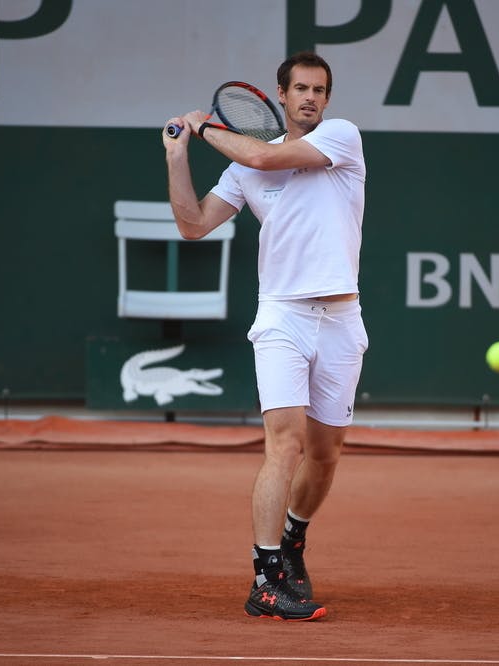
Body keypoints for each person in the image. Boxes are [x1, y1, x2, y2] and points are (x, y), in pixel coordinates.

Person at [162, 51, 367, 621]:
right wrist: (179, 156)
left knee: (325, 455)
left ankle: (294, 541)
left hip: (342, 319)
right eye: (300, 89)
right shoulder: (244, 170)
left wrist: (206, 127)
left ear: (327, 99)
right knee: (286, 442)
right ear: (280, 95)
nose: (309, 98)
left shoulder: (341, 137)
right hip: (281, 317)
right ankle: (267, 577)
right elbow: (193, 224)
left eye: (318, 90)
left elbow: (256, 151)